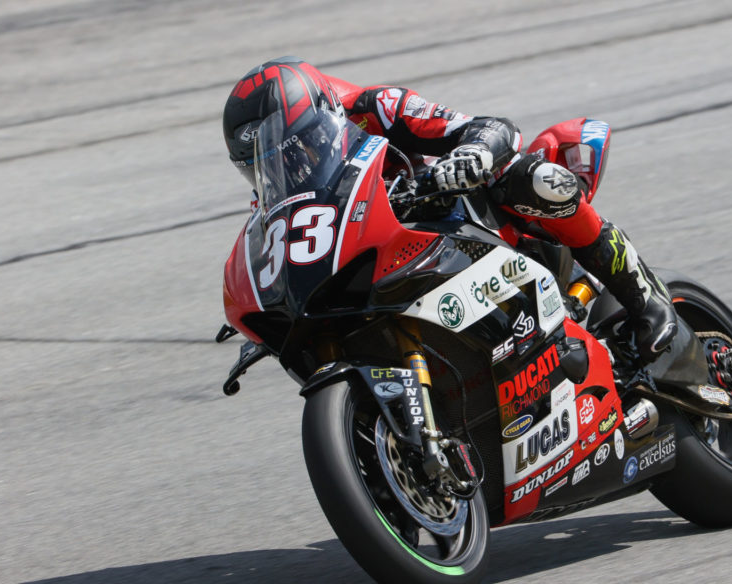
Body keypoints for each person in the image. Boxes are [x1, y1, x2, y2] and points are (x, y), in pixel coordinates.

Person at [222, 56, 677, 361]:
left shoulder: (373, 107)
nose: (291, 163)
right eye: (267, 163)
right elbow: (291, 238)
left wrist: (473, 155)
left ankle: (642, 293)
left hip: (455, 210)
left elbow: (490, 127)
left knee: (536, 179)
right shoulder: (282, 187)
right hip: (385, 262)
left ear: (323, 115)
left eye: (296, 146)